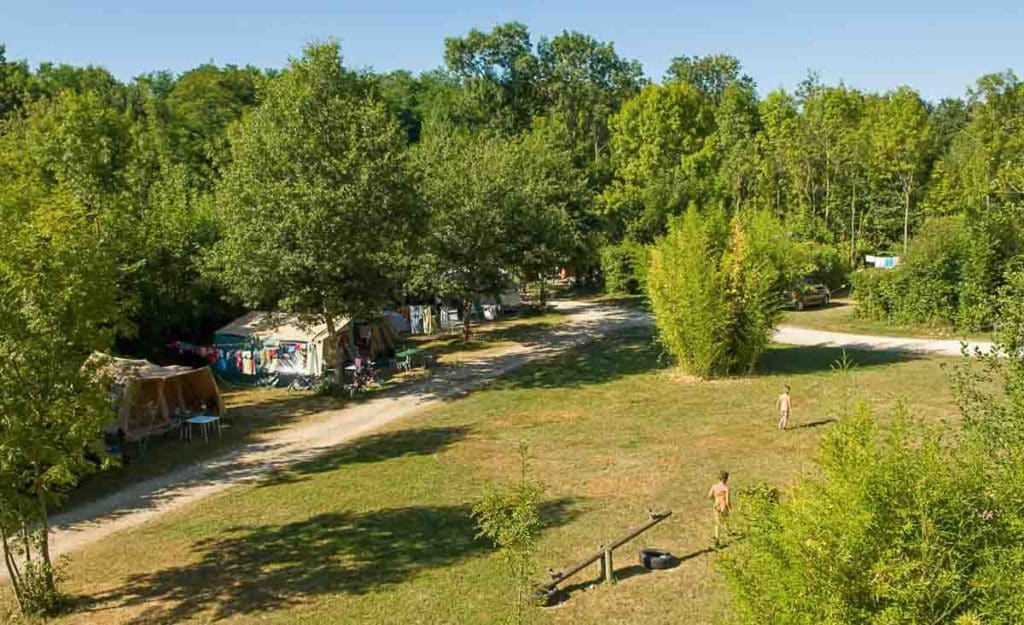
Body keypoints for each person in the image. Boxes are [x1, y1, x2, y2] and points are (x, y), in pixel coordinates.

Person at [708, 470, 731, 548]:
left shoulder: (714, 486)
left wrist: (715, 499)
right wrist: (730, 507)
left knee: (717, 523)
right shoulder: (726, 488)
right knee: (726, 519)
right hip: (723, 506)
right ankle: (728, 531)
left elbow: (709, 496)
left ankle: (717, 537)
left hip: (716, 506)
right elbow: (727, 500)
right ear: (726, 479)